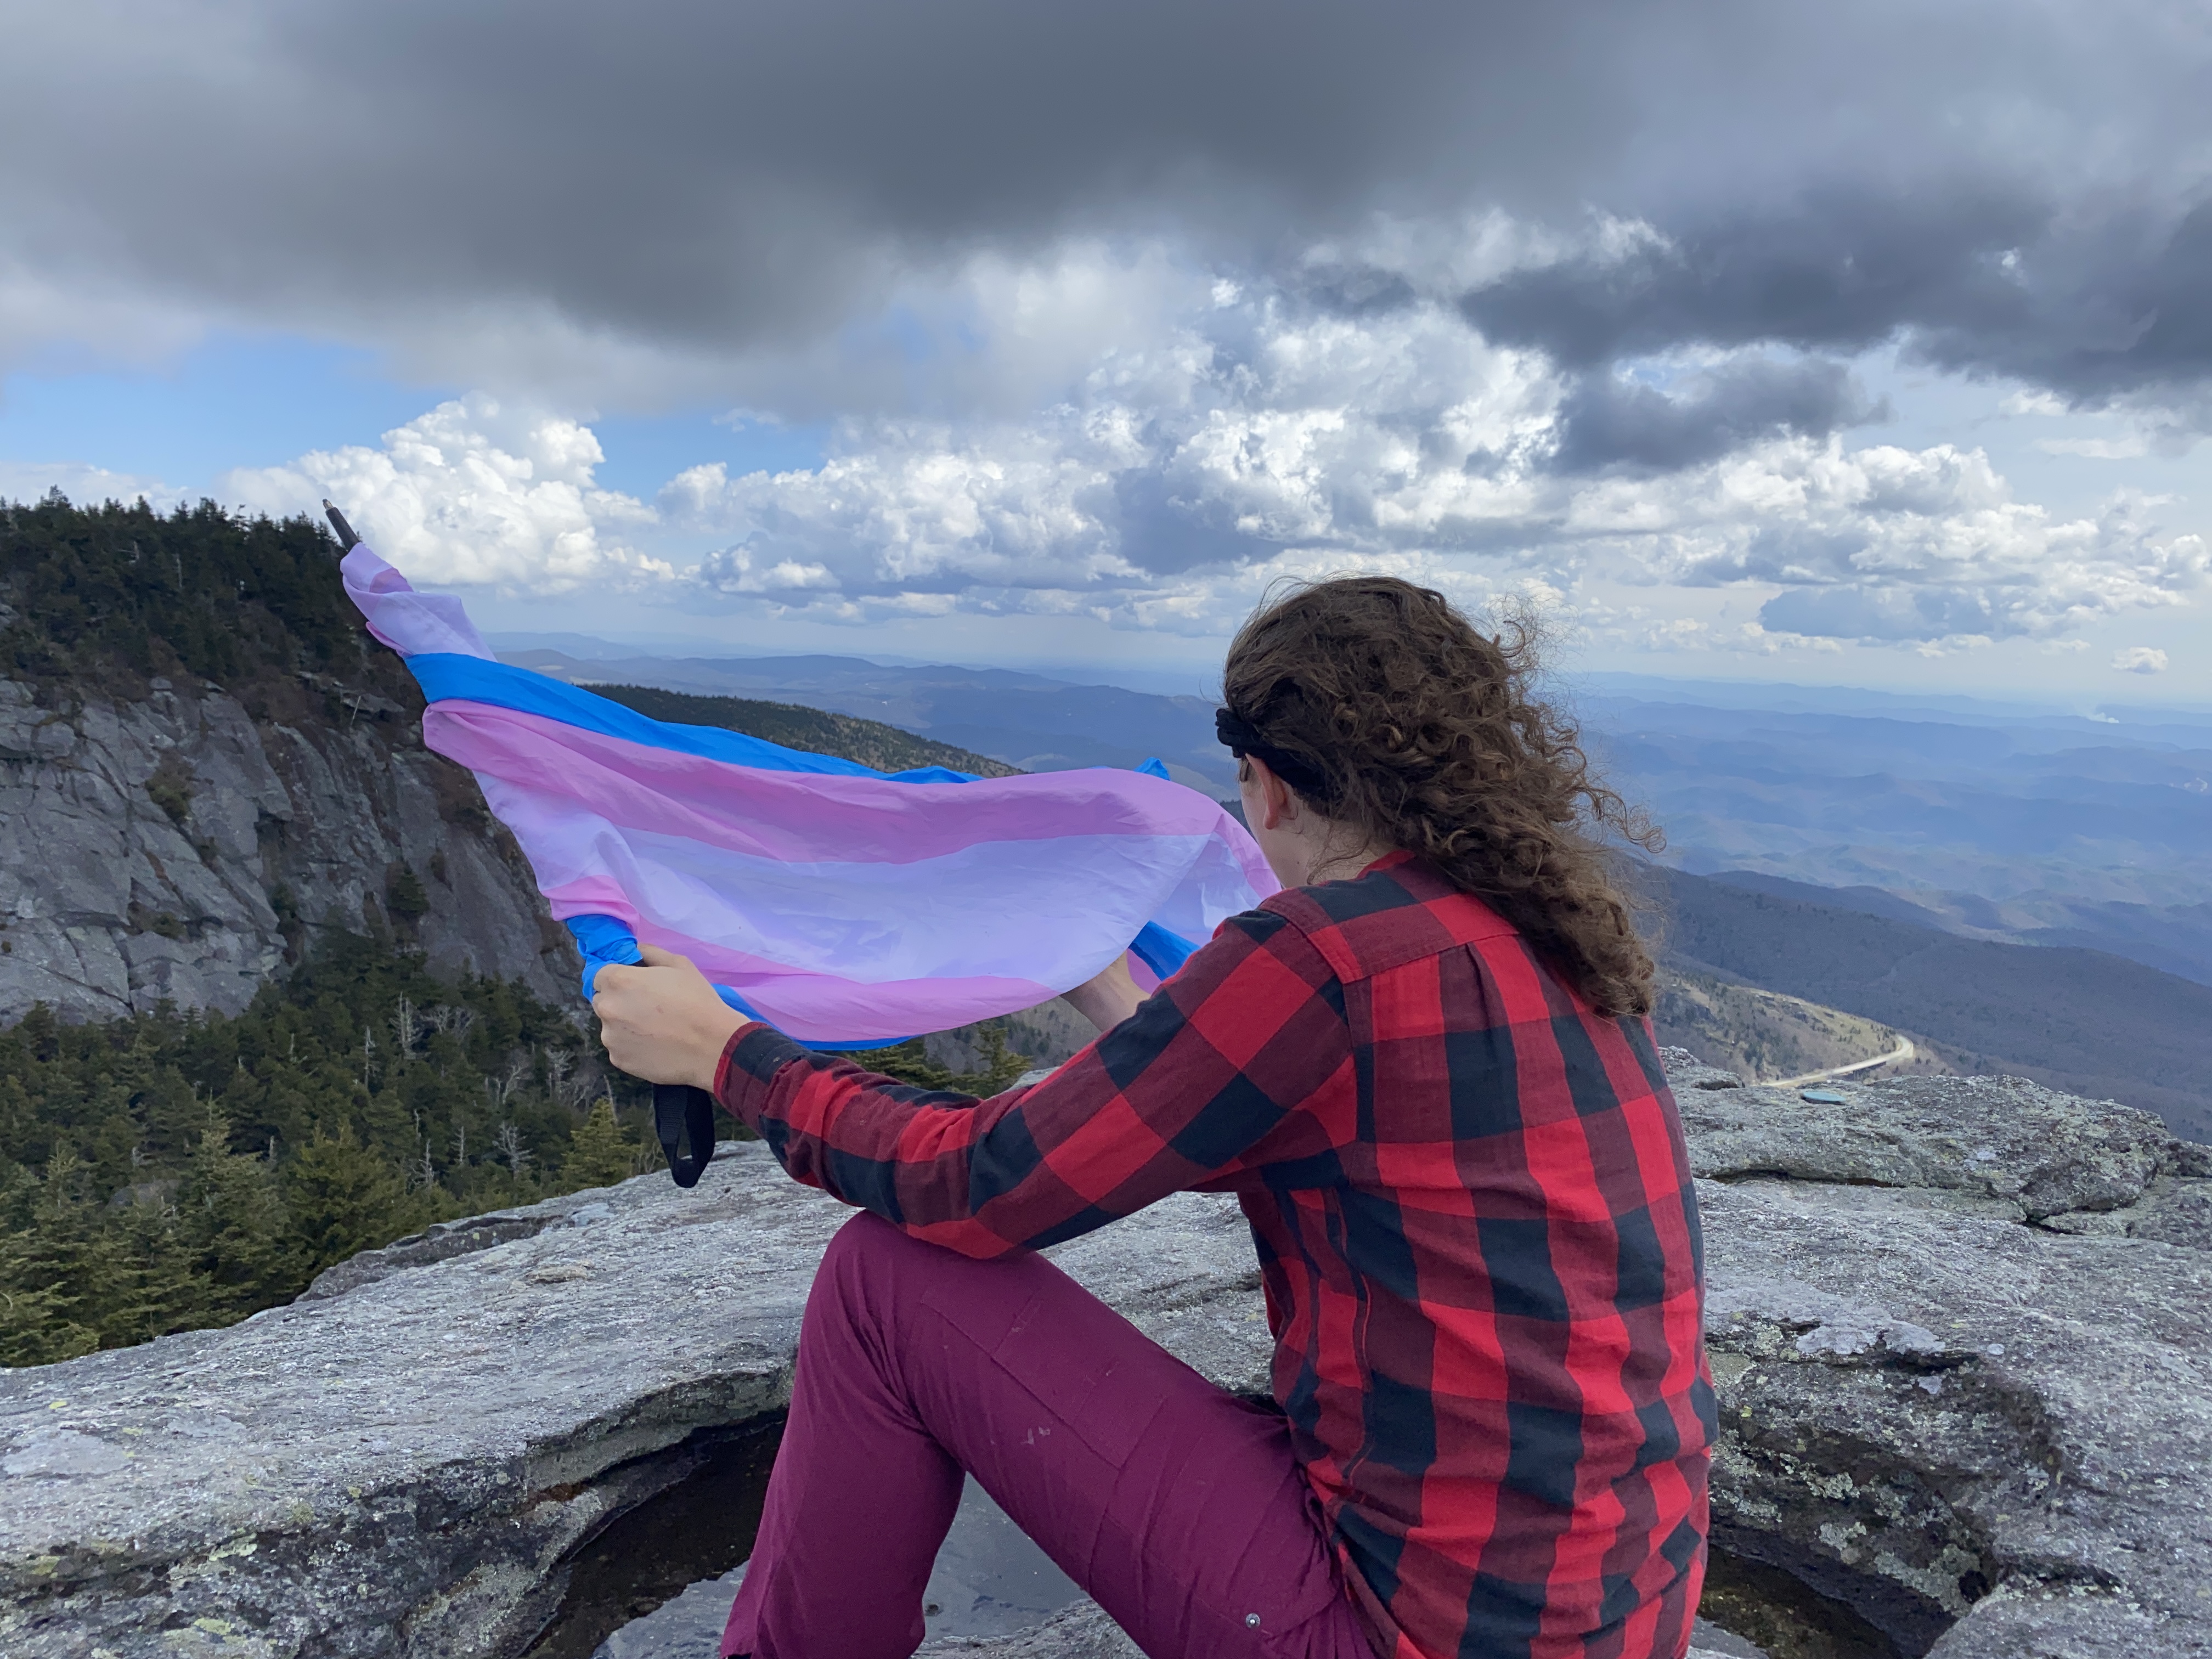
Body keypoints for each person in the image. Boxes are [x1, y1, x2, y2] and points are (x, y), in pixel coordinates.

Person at [591, 576, 1715, 1659]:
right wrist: (1117, 997)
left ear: (1268, 788)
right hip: (1605, 1608)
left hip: (1403, 1629)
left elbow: (976, 1185)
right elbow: (1300, 1122)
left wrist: (730, 1057)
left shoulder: (1325, 956)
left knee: (885, 1283)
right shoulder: (1543, 935)